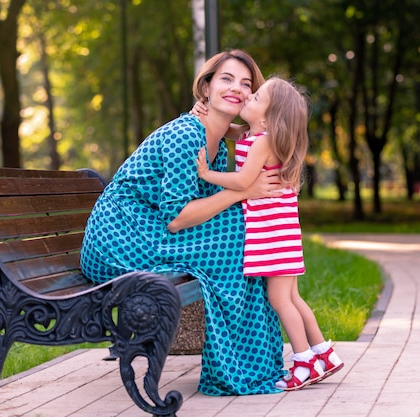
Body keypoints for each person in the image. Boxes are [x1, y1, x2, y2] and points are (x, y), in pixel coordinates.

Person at [80, 50, 287, 396]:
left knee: (242, 231)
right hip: (119, 238)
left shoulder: (217, 140)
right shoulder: (185, 136)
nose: (236, 88)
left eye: (246, 83)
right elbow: (177, 219)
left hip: (149, 228)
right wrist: (244, 192)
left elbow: (249, 138)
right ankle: (239, 370)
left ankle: (255, 366)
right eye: (226, 79)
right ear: (205, 88)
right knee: (236, 235)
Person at [194, 76, 344, 391]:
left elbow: (244, 181)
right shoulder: (258, 134)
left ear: (267, 118)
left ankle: (303, 361)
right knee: (292, 297)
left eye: (256, 97)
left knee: (279, 299)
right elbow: (229, 129)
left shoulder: (262, 142)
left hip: (272, 234)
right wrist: (208, 112)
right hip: (283, 233)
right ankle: (323, 352)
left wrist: (208, 174)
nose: (248, 97)